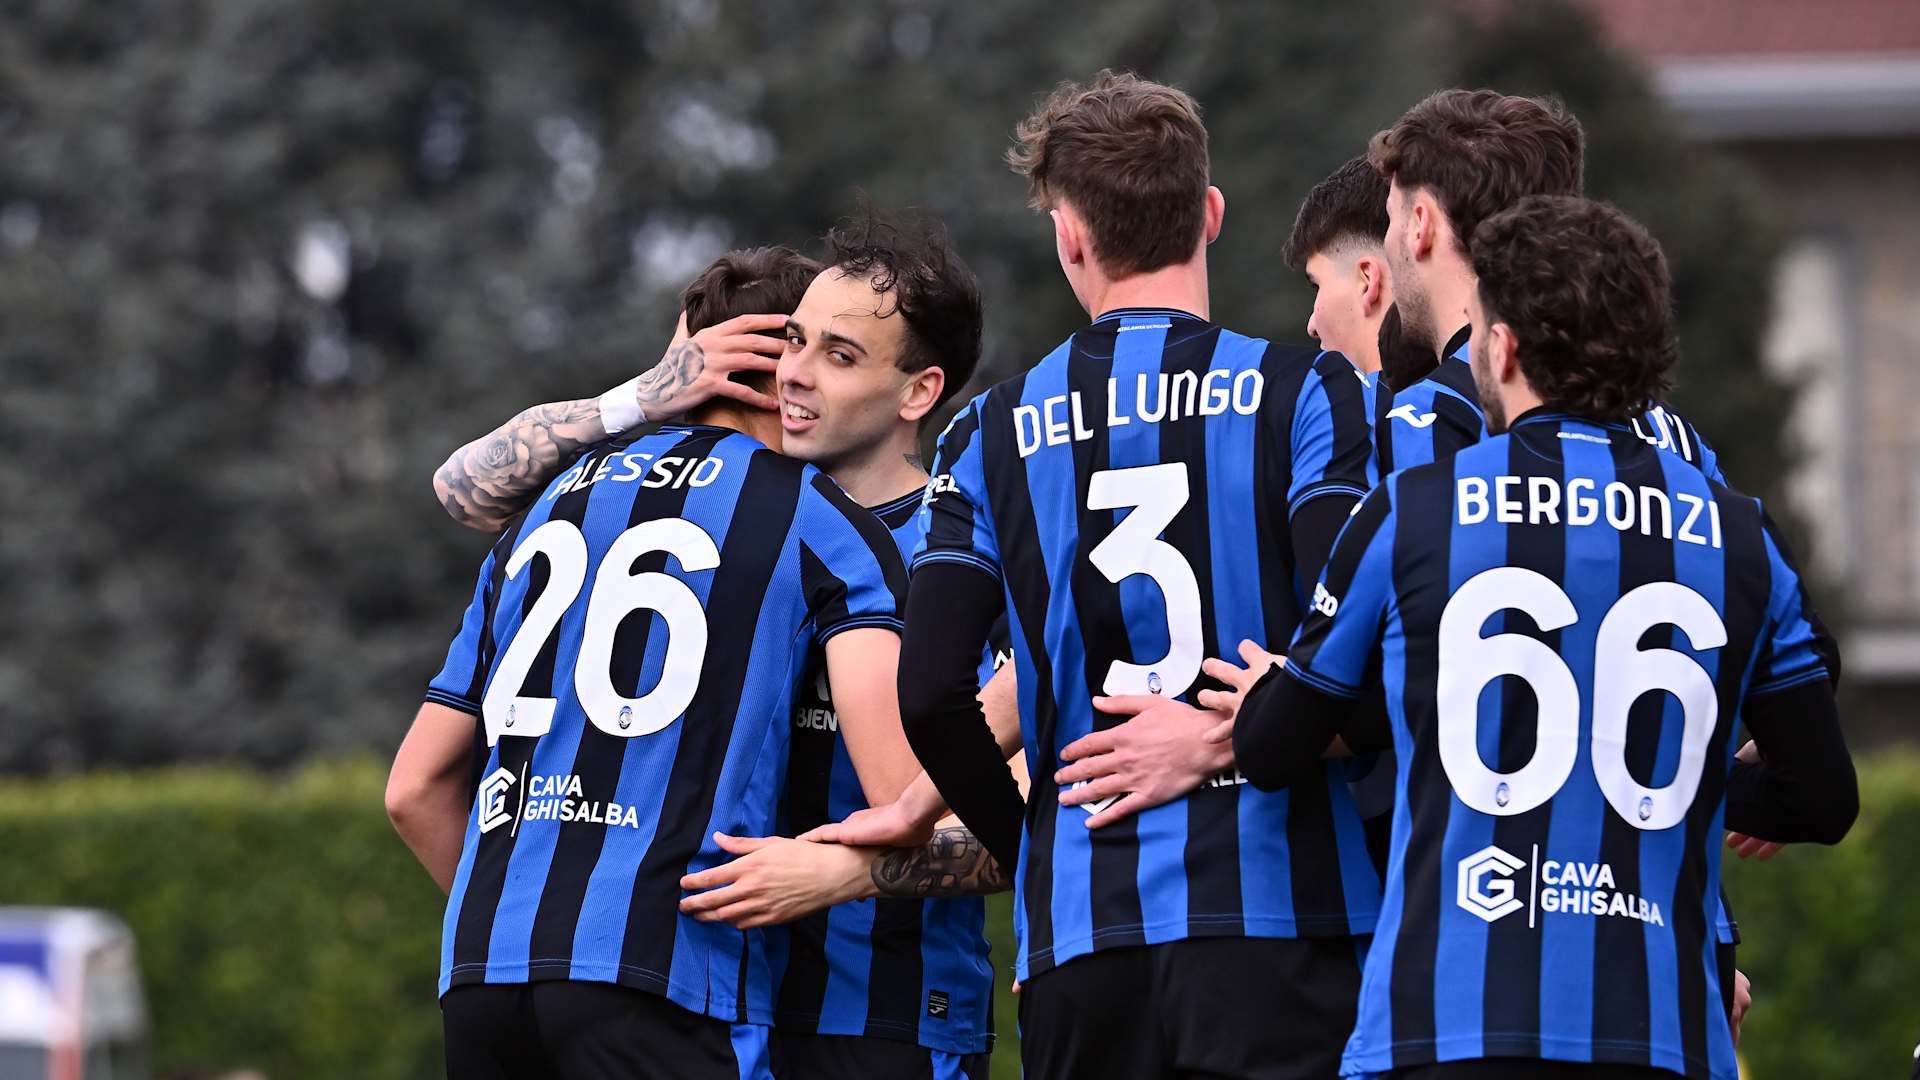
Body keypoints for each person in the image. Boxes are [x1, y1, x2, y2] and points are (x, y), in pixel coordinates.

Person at [1230, 195, 1857, 1079]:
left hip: (1444, 1031)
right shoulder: (1739, 534)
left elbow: (1270, 746)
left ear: (1503, 347)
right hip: (1661, 1034)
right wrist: (1665, 774)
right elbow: (1822, 800)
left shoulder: (1411, 510)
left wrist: (1271, 692)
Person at [422, 215, 1015, 1079]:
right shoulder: (743, 519)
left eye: (837, 354)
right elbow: (458, 489)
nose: (797, 373)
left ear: (915, 391)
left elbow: (1025, 821)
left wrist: (841, 875)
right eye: (792, 345)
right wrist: (644, 393)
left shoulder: (965, 549)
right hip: (708, 995)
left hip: (878, 1018)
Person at [897, 71, 1377, 1079]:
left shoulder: (985, 433)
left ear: (1068, 236)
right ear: (1210, 214)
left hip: (1084, 941)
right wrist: (1230, 738)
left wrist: (1031, 854)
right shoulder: (1308, 391)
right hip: (1285, 926)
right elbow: (1359, 643)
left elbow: (931, 695)